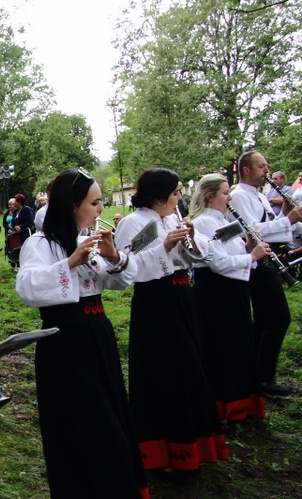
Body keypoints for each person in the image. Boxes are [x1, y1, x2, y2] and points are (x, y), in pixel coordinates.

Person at [17, 168, 148, 498]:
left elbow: (117, 282)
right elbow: (28, 288)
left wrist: (114, 257)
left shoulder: (87, 240)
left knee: (111, 415)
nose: (100, 209)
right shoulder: (40, 243)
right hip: (66, 342)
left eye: (101, 201)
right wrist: (71, 262)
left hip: (98, 336)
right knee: (88, 423)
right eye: (95, 202)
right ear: (73, 205)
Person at [114, 168, 227, 478]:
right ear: (160, 196)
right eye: (176, 193)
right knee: (166, 372)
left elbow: (198, 257)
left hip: (181, 298)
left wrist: (189, 239)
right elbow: (128, 269)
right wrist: (164, 247)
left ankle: (196, 444)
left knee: (191, 370)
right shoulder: (134, 223)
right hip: (155, 302)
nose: (180, 199)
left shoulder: (171, 219)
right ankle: (164, 452)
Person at [190, 174, 268, 421]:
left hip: (234, 291)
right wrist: (252, 257)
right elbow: (218, 264)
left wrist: (247, 249)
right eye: (225, 192)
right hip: (216, 293)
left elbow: (231, 255)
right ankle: (227, 406)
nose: (230, 197)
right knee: (226, 348)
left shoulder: (224, 220)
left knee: (242, 345)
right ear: (210, 196)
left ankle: (244, 403)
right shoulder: (203, 223)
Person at [228, 151, 302, 397]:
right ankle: (264, 377)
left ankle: (258, 375)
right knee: (279, 318)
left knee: (264, 319)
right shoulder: (239, 196)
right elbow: (252, 230)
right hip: (257, 265)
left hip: (268, 261)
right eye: (262, 166)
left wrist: (286, 216)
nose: (266, 172)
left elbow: (272, 228)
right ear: (246, 169)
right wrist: (288, 220)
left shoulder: (259, 196)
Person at [3, 198, 20, 269]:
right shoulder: (7, 213)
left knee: (17, 248)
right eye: (9, 205)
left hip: (16, 233)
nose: (9, 206)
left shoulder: (18, 213)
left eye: (11, 204)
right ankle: (13, 265)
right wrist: (8, 229)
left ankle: (19, 265)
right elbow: (4, 223)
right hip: (8, 233)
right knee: (9, 248)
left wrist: (14, 229)